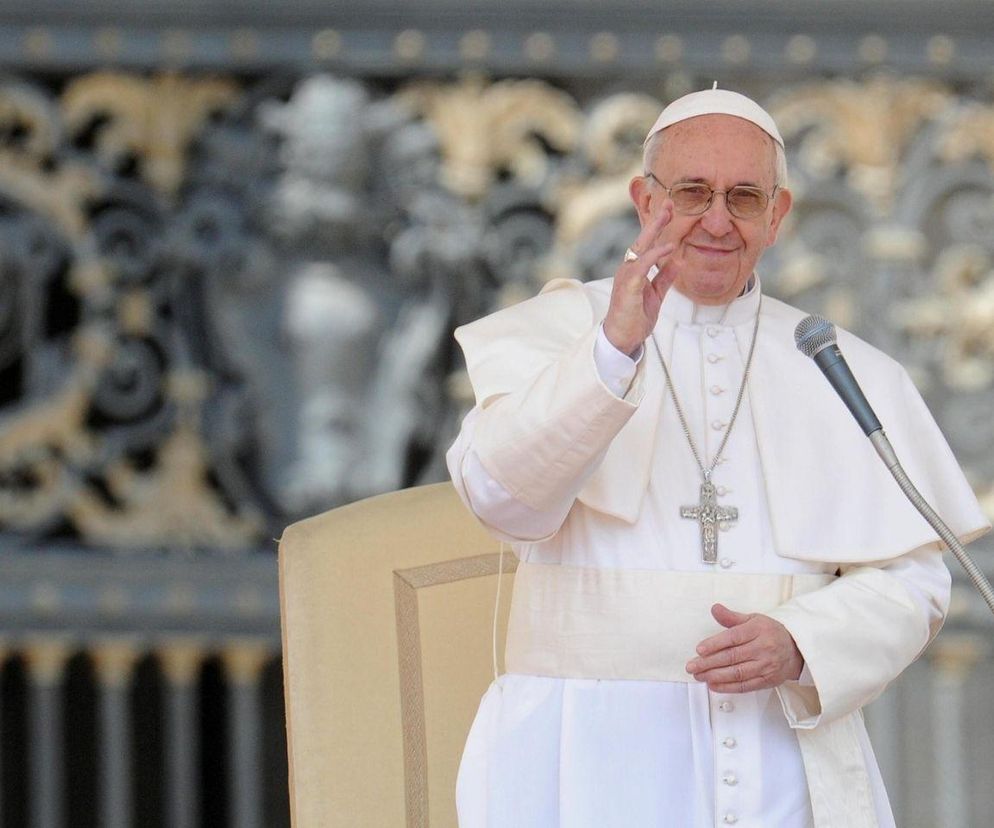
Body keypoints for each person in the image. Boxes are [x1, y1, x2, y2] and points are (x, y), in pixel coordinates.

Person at [446, 87, 990, 828]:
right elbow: (500, 499)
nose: (715, 221)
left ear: (777, 216)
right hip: (585, 761)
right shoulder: (556, 335)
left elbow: (913, 580)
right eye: (692, 193)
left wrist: (804, 642)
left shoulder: (835, 363)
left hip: (780, 762)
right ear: (644, 200)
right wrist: (612, 352)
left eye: (743, 198)